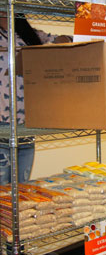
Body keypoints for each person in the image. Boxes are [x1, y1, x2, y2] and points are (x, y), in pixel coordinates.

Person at [0, 13, 72, 185]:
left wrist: (59, 43)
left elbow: (71, 39)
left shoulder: (27, 33)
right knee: (3, 193)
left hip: (26, 122)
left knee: (22, 189)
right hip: (1, 123)